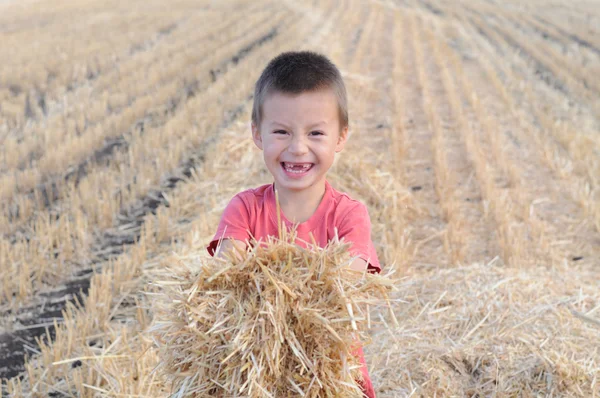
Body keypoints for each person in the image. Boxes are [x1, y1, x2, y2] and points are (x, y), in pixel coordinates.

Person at [206, 51, 380, 397]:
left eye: (316, 133)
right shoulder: (243, 210)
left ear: (341, 137)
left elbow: (344, 284)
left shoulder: (349, 216)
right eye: (282, 132)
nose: (298, 148)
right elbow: (226, 276)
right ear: (257, 134)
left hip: (329, 375)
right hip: (255, 375)